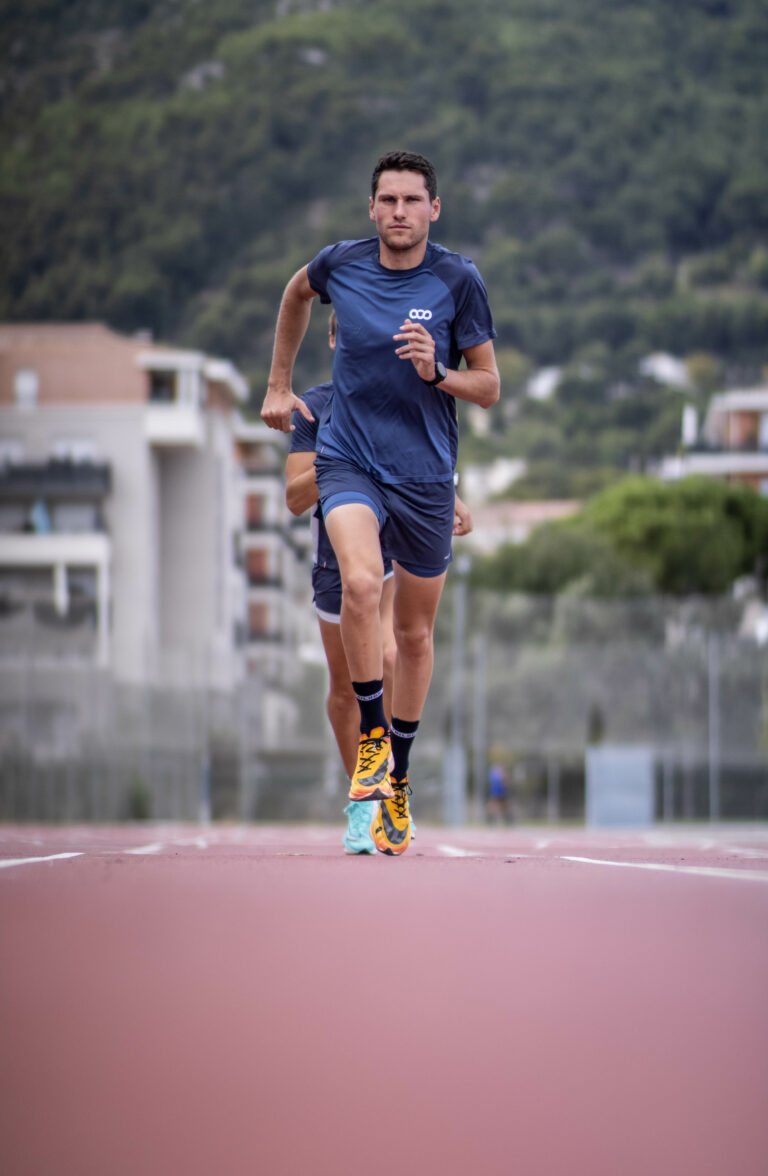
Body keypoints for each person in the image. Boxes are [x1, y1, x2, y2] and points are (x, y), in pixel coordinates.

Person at [262, 149, 499, 855]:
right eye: (386, 200)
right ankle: (372, 745)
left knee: (416, 638)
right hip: (350, 461)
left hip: (425, 474)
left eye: (411, 200)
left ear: (433, 209)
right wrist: (279, 384)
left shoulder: (459, 280)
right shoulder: (341, 264)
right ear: (372, 208)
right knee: (362, 583)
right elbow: (295, 294)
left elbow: (488, 386)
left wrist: (438, 371)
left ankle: (398, 775)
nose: (398, 212)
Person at [285, 311, 474, 853]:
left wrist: (448, 500)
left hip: (390, 552)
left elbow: (418, 466)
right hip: (333, 559)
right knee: (343, 688)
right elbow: (295, 498)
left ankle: (392, 787)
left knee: (393, 654)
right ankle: (361, 801)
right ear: (334, 338)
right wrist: (341, 458)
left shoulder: (401, 400)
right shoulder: (315, 407)